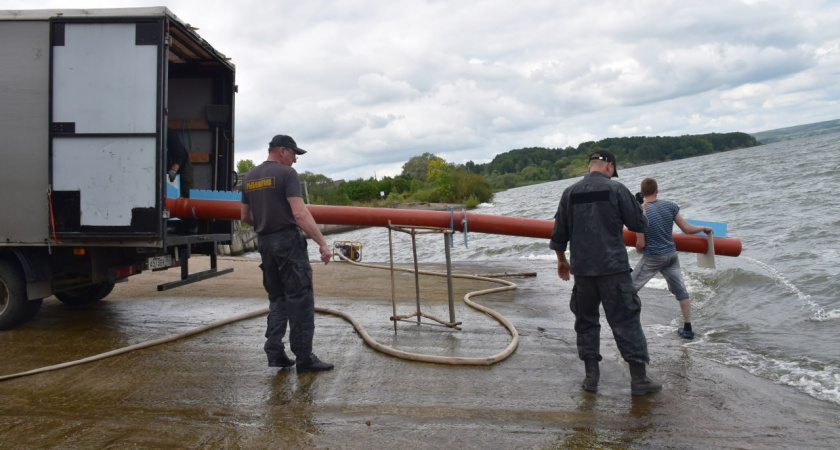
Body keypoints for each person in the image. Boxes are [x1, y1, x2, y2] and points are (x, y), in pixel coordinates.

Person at [550, 150, 662, 396]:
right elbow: (639, 225)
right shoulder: (617, 189)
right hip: (614, 270)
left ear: (590, 166)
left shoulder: (569, 193)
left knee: (586, 321)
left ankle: (591, 378)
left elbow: (558, 234)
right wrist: (640, 208)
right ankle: (639, 380)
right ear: (609, 166)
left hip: (583, 271)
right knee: (626, 321)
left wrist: (562, 261)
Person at [241, 134, 334, 373]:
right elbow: (300, 214)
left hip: (265, 242)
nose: (295, 160)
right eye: (294, 154)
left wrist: (266, 226)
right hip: (288, 242)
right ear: (282, 150)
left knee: (277, 298)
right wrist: (323, 243)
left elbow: (245, 216)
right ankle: (304, 359)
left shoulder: (249, 177)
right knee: (300, 298)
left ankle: (275, 351)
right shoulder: (287, 174)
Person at [632, 178, 713, 340]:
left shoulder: (640, 212)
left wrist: (638, 249)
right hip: (671, 255)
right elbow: (687, 229)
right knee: (682, 292)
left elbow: (641, 244)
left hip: (653, 257)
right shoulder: (670, 206)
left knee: (628, 289)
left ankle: (630, 326)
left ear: (642, 193)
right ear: (657, 190)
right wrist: (704, 228)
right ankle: (688, 329)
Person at [166, 130, 193, 198]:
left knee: (189, 192)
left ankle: (190, 203)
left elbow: (179, 155)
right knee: (168, 193)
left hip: (183, 165)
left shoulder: (170, 135)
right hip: (165, 167)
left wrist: (173, 170)